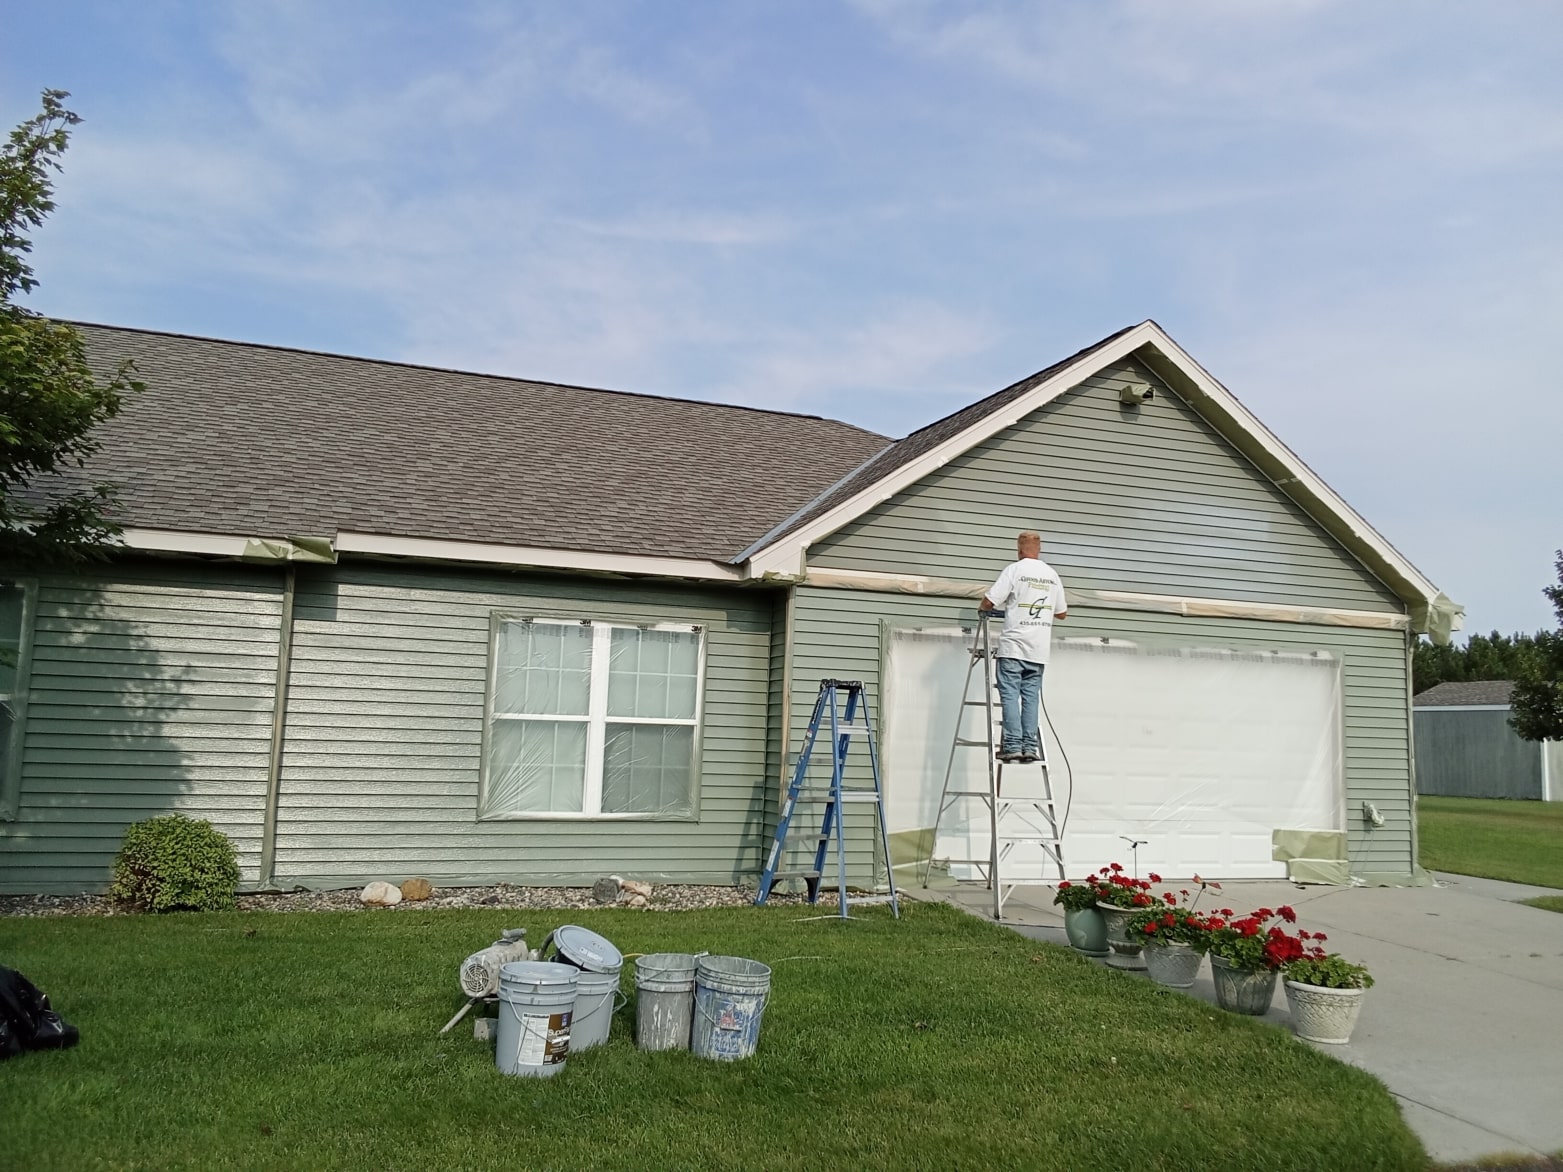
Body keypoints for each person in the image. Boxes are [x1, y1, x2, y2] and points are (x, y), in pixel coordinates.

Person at [978, 531, 1067, 763]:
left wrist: (983, 609)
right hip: (1038, 650)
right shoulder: (1051, 575)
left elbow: (989, 601)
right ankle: (1029, 747)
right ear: (1039, 550)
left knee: (1009, 695)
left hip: (1014, 647)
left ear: (1019, 550)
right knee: (1030, 698)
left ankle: (1012, 746)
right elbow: (1061, 613)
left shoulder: (1015, 570)